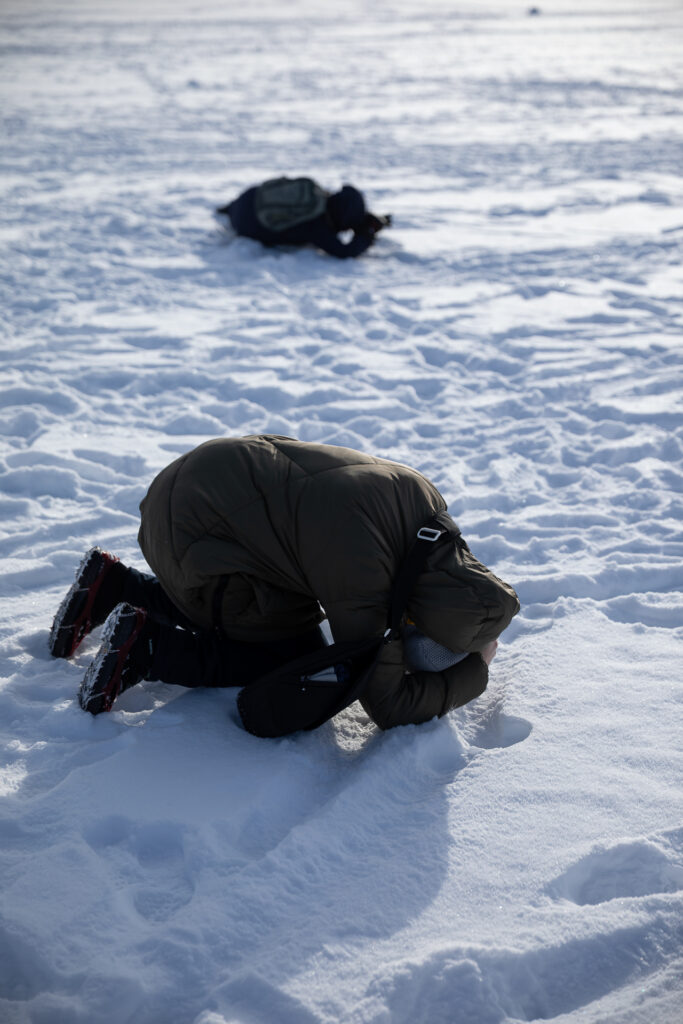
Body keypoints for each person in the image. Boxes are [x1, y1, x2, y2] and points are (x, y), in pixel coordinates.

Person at [50, 435, 520, 731]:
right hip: (196, 532)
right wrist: (473, 669)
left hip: (198, 488)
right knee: (291, 655)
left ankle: (115, 585)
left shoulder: (426, 508)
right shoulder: (366, 573)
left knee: (266, 607)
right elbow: (387, 704)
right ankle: (148, 647)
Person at [216, 177, 391, 259]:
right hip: (245, 223)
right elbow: (344, 252)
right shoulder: (317, 226)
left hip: (247, 197)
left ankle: (229, 209)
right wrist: (367, 234)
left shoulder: (317, 194)